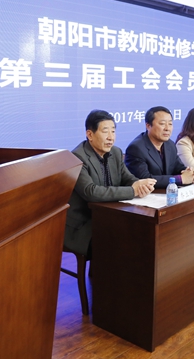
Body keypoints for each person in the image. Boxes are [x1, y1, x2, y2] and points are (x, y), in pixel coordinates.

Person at [65, 110, 156, 257]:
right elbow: (91, 192)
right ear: (90, 134)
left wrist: (141, 185)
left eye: (113, 131)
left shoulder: (116, 152)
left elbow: (128, 178)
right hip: (84, 224)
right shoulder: (77, 157)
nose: (111, 137)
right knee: (119, 239)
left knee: (141, 232)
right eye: (105, 131)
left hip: (109, 216)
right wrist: (133, 191)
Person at [125, 106, 194, 188]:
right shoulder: (136, 148)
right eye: (162, 124)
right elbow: (144, 179)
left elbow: (178, 168)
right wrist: (179, 179)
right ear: (148, 126)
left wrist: (189, 173)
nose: (167, 128)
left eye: (170, 124)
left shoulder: (170, 144)